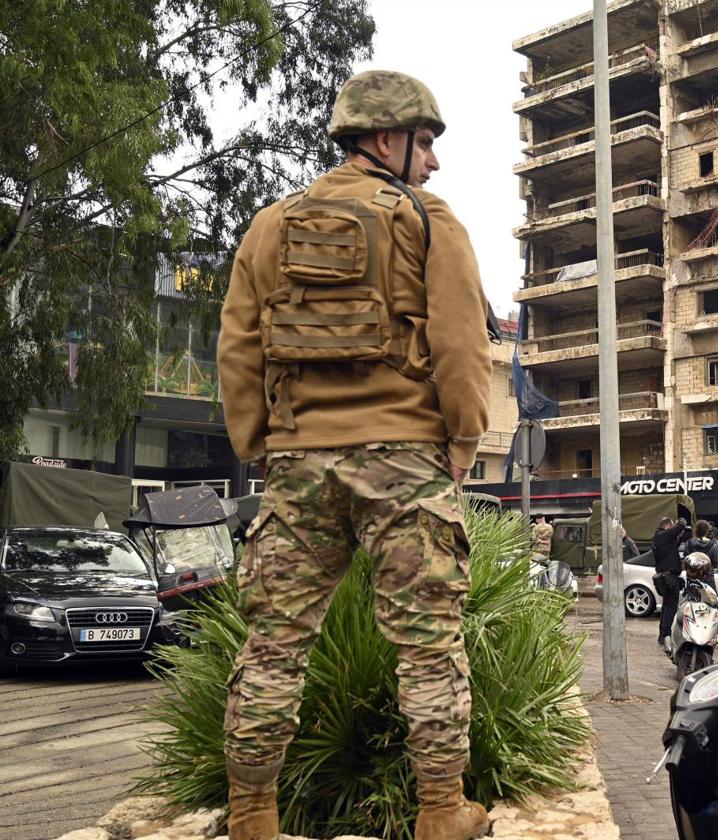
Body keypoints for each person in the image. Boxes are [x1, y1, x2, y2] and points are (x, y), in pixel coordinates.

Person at [216, 71, 491, 840]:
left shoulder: (269, 226)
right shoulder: (430, 221)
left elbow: (237, 350)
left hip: (298, 463)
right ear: (385, 139)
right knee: (428, 646)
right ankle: (442, 811)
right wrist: (462, 440)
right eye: (426, 142)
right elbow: (463, 344)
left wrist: (263, 447)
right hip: (406, 462)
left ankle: (252, 815)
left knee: (273, 646)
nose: (432, 162)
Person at [684, 521, 718, 645]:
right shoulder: (713, 544)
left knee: (691, 603)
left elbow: (686, 558)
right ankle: (717, 632)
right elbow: (715, 563)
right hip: (708, 578)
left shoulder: (689, 543)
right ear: (707, 531)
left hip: (692, 578)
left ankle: (690, 630)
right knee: (713, 604)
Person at [653, 516, 691, 648]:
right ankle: (666, 635)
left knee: (666, 607)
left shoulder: (660, 538)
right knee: (670, 608)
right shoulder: (663, 535)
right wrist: (681, 521)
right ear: (668, 526)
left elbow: (673, 544)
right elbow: (680, 525)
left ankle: (662, 634)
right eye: (672, 526)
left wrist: (680, 536)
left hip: (666, 577)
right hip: (669, 578)